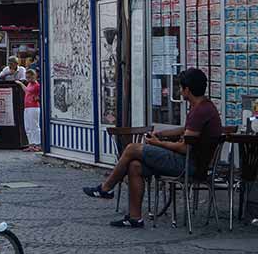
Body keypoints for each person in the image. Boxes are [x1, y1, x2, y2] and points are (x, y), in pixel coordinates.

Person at [84, 68, 223, 228]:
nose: (179, 91)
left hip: (188, 165)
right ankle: (135, 218)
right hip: (192, 163)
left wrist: (158, 143)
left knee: (131, 149)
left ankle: (106, 188)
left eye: (180, 87)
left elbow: (185, 148)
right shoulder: (205, 106)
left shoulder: (200, 111)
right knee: (134, 166)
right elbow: (186, 130)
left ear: (187, 90)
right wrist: (162, 133)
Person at [19, 69, 42, 152]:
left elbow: (40, 95)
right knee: (28, 126)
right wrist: (21, 84)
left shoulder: (37, 85)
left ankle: (38, 144)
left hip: (33, 107)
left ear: (34, 76)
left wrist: (37, 98)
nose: (28, 79)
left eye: (29, 77)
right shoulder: (29, 84)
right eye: (27, 77)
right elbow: (27, 91)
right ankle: (31, 144)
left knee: (34, 126)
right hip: (27, 107)